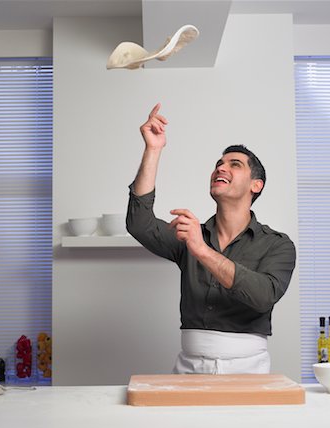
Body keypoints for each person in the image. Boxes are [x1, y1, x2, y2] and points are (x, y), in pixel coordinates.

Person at [126, 103, 296, 375]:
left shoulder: (278, 244)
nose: (221, 168)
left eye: (234, 164)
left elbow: (264, 296)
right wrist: (153, 150)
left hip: (249, 369)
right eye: (219, 164)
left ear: (256, 185)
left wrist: (202, 250)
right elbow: (139, 223)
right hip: (189, 366)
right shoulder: (190, 234)